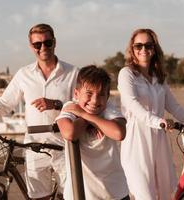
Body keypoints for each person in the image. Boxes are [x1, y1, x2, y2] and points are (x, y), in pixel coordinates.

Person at [0, 23, 79, 199]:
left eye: (47, 43)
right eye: (37, 44)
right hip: (33, 144)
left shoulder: (73, 73)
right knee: (38, 196)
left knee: (72, 195)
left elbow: (81, 105)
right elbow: (5, 103)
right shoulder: (24, 74)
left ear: (54, 42)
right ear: (31, 47)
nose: (43, 47)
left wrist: (57, 104)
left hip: (64, 143)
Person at [117, 28, 184, 200]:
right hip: (137, 143)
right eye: (138, 45)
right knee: (145, 196)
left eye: (148, 45)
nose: (143, 49)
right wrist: (158, 121)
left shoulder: (159, 78)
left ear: (154, 48)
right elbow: (132, 104)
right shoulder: (127, 74)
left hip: (159, 141)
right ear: (132, 49)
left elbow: (175, 107)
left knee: (163, 195)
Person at [56, 65, 130, 200]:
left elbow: (119, 133)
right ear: (76, 94)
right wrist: (94, 120)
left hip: (115, 192)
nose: (95, 101)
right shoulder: (70, 107)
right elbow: (69, 133)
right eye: (89, 94)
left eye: (101, 94)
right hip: (80, 193)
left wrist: (85, 115)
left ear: (107, 96)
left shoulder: (109, 108)